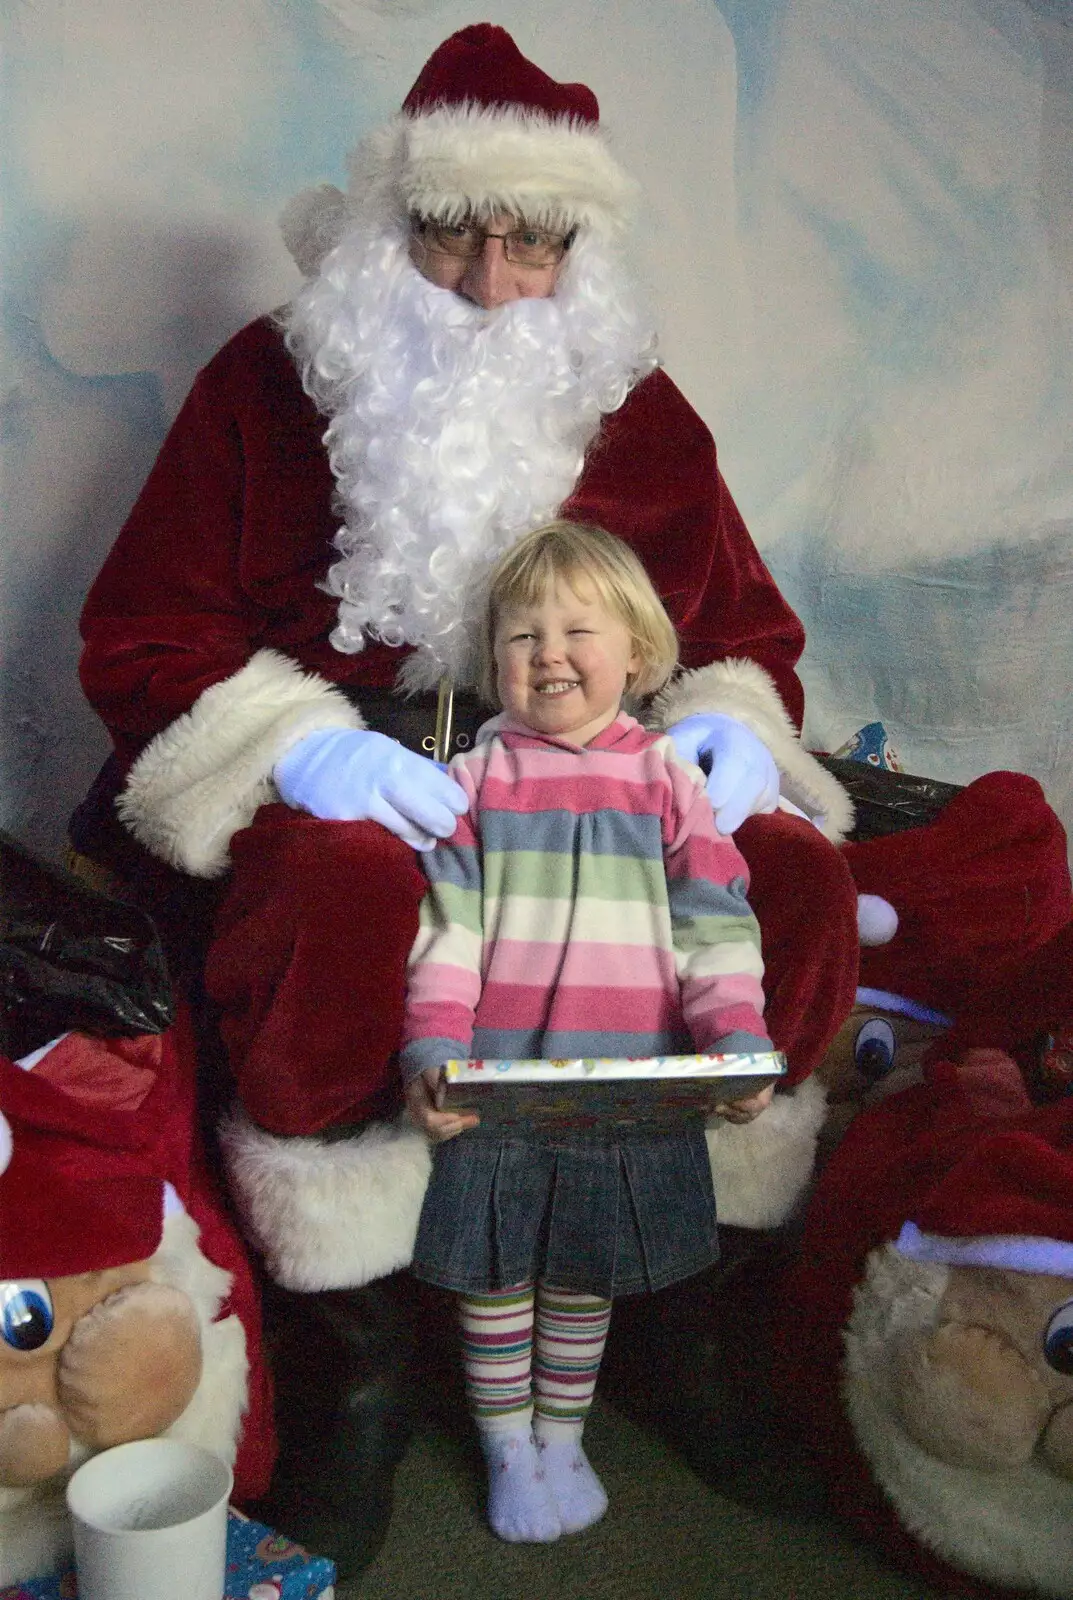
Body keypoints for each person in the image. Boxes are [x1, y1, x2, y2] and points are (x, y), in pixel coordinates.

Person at [70, 20, 859, 1572]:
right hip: (360, 777)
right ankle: (353, 1353)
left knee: (788, 874)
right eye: (451, 235)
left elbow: (742, 627)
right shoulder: (265, 384)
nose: (493, 283)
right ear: (389, 226)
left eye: (533, 241)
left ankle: (680, 1310)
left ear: (580, 247)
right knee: (346, 891)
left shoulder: (641, 409)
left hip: (601, 775)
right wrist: (302, 749)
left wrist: (732, 729)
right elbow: (148, 630)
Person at [401, 520, 776, 1542]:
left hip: (630, 1082)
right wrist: (432, 1046)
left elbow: (713, 922)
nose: (548, 652)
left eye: (576, 629)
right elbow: (448, 930)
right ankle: (505, 1445)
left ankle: (561, 1435)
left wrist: (735, 1036)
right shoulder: (476, 785)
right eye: (521, 637)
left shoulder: (667, 780)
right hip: (497, 1079)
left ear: (638, 654)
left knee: (581, 1272)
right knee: (492, 1271)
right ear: (492, 665)